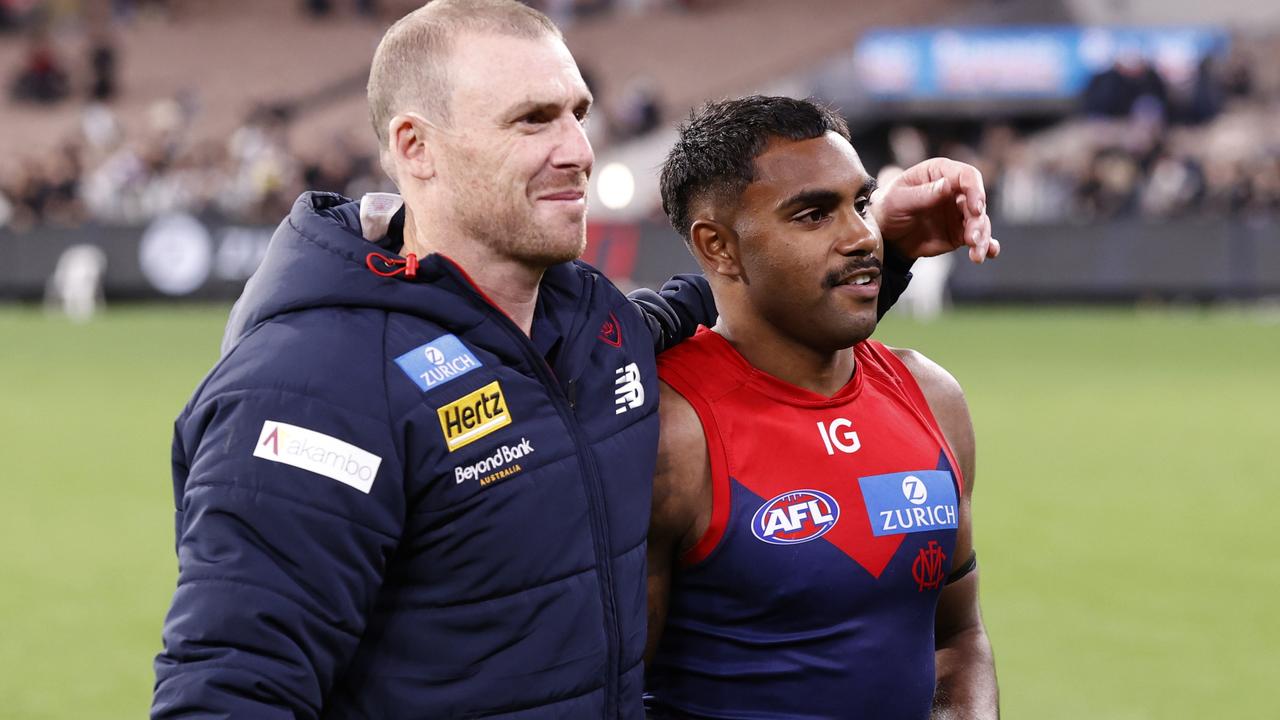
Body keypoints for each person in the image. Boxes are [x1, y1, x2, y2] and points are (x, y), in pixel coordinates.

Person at [151, 2, 998, 718]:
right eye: (532, 120)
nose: (577, 151)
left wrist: (875, 239)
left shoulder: (590, 326)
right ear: (415, 149)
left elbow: (747, 307)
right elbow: (232, 686)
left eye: (577, 114)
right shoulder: (313, 383)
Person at [645, 96, 998, 719]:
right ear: (719, 248)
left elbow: (958, 639)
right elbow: (604, 690)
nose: (863, 236)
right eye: (813, 214)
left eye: (860, 204)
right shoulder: (671, 430)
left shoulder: (932, 397)